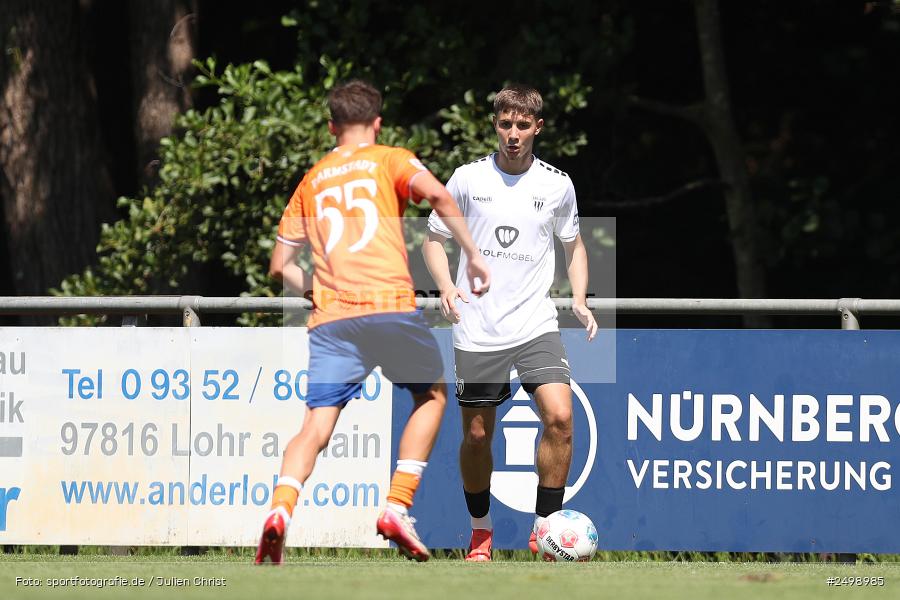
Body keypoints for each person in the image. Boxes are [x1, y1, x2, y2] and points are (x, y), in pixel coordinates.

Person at [256, 80, 490, 565]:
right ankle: (396, 506)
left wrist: (313, 290)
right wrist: (474, 255)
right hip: (387, 305)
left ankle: (279, 511)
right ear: (377, 123)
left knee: (315, 426)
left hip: (332, 318)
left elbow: (279, 265)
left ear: (331, 126)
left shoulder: (313, 178)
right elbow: (441, 197)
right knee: (431, 395)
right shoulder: (392, 160)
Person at [422, 84, 597, 562]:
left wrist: (579, 299)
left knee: (560, 418)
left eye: (523, 125)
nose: (514, 134)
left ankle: (546, 530)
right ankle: (481, 531)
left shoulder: (557, 184)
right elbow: (433, 240)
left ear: (537, 127)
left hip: (536, 323)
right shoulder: (465, 180)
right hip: (478, 327)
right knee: (477, 436)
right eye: (505, 124)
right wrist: (444, 285)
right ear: (495, 125)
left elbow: (574, 246)